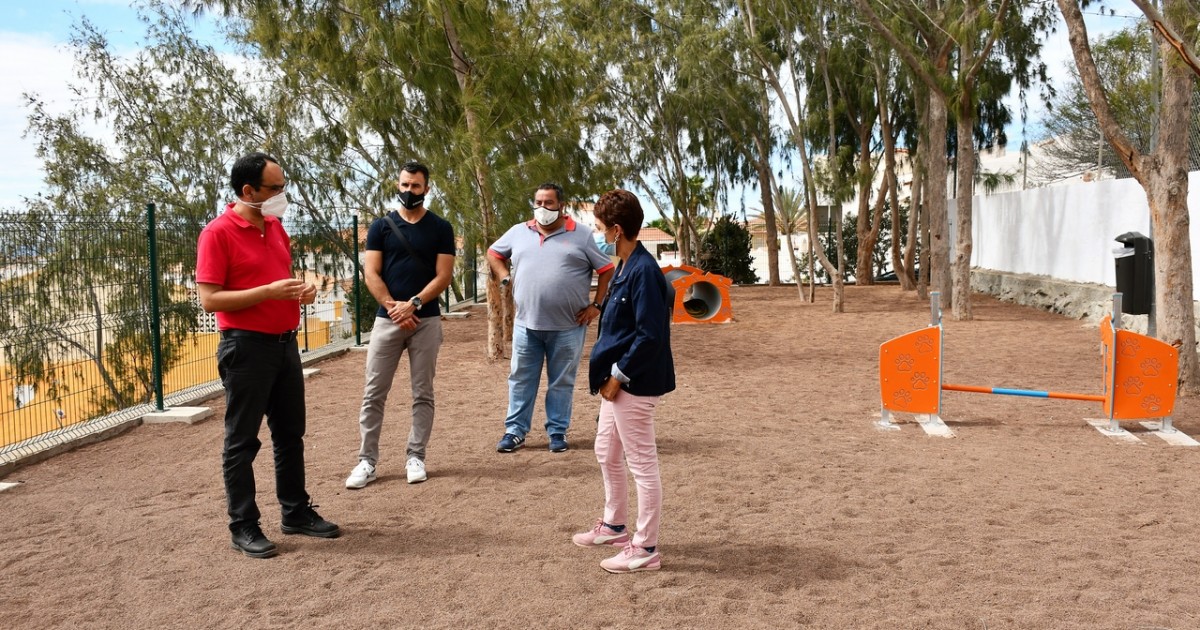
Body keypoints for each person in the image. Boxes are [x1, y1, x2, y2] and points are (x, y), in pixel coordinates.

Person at [197, 152, 341, 559]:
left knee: (290, 434)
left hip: (284, 343)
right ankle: (243, 525)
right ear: (248, 191)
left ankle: (295, 512)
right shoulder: (217, 232)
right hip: (245, 346)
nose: (283, 195)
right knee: (241, 441)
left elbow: (281, 280)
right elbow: (210, 299)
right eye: (275, 188)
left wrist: (304, 292)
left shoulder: (276, 226)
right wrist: (267, 293)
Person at [571, 189, 674, 574]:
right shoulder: (626, 265)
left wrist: (619, 376)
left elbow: (650, 335)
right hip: (617, 381)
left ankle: (645, 547)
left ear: (617, 229)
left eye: (600, 229)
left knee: (642, 464)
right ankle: (614, 525)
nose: (598, 235)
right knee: (606, 451)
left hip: (633, 383)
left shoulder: (644, 271)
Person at [345, 161, 455, 489]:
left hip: (426, 318)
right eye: (405, 185)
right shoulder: (381, 227)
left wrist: (414, 304)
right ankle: (367, 461)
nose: (409, 191)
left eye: (416, 186)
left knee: (423, 392)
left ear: (427, 189)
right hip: (388, 319)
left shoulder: (440, 228)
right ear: (398, 185)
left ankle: (415, 456)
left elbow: (443, 275)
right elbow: (371, 273)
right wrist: (395, 309)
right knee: (373, 392)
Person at [487, 183, 615, 453]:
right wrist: (504, 276)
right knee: (521, 379)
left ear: (561, 206)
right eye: (538, 202)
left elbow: (606, 269)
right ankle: (515, 431)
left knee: (562, 381)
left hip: (568, 327)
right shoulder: (519, 232)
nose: (542, 208)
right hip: (526, 326)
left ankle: (557, 432)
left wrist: (596, 305)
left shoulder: (581, 235)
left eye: (549, 203)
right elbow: (494, 253)